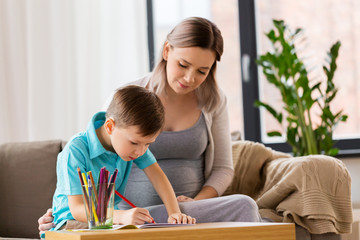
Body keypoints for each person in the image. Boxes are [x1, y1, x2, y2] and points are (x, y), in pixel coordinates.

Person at [39, 16, 261, 236]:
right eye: (183, 64)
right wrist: (64, 212)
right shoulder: (125, 100)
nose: (190, 78)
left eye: (202, 71)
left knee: (245, 206)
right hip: (127, 217)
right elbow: (82, 182)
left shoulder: (214, 101)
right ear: (166, 51)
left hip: (186, 210)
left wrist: (181, 209)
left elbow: (211, 169)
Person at [50, 85, 195, 232]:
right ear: (109, 126)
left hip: (108, 224)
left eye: (148, 144)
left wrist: (174, 213)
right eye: (134, 143)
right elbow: (77, 209)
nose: (140, 151)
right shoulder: (76, 150)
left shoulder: (134, 145)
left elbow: (158, 176)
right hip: (71, 224)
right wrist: (121, 217)